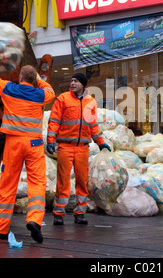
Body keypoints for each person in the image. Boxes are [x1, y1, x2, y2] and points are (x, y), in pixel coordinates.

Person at [0, 55, 55, 243]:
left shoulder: (8, 89)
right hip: (34, 144)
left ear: (19, 78)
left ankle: (0, 229)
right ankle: (34, 220)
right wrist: (39, 80)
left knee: (8, 184)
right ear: (34, 81)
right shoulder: (41, 95)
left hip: (13, 144)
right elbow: (50, 91)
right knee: (37, 183)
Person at [47, 73, 110, 226]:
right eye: (71, 81)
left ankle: (80, 213)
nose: (72, 83)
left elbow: (92, 125)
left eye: (75, 81)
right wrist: (50, 140)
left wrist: (100, 142)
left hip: (82, 148)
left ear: (83, 84)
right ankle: (59, 214)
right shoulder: (62, 99)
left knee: (82, 182)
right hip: (65, 146)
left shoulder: (90, 102)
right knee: (63, 181)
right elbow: (54, 121)